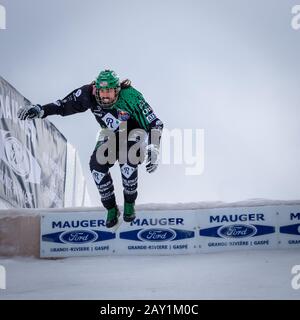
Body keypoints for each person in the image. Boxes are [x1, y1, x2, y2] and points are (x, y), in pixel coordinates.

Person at [17, 70, 163, 228]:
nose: (105, 97)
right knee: (96, 166)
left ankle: (129, 203)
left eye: (110, 92)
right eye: (102, 92)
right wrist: (41, 110)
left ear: (118, 91)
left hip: (135, 133)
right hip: (111, 134)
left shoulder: (131, 96)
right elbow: (63, 105)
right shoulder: (88, 93)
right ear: (96, 89)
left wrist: (154, 147)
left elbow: (155, 122)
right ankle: (111, 208)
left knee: (127, 160)